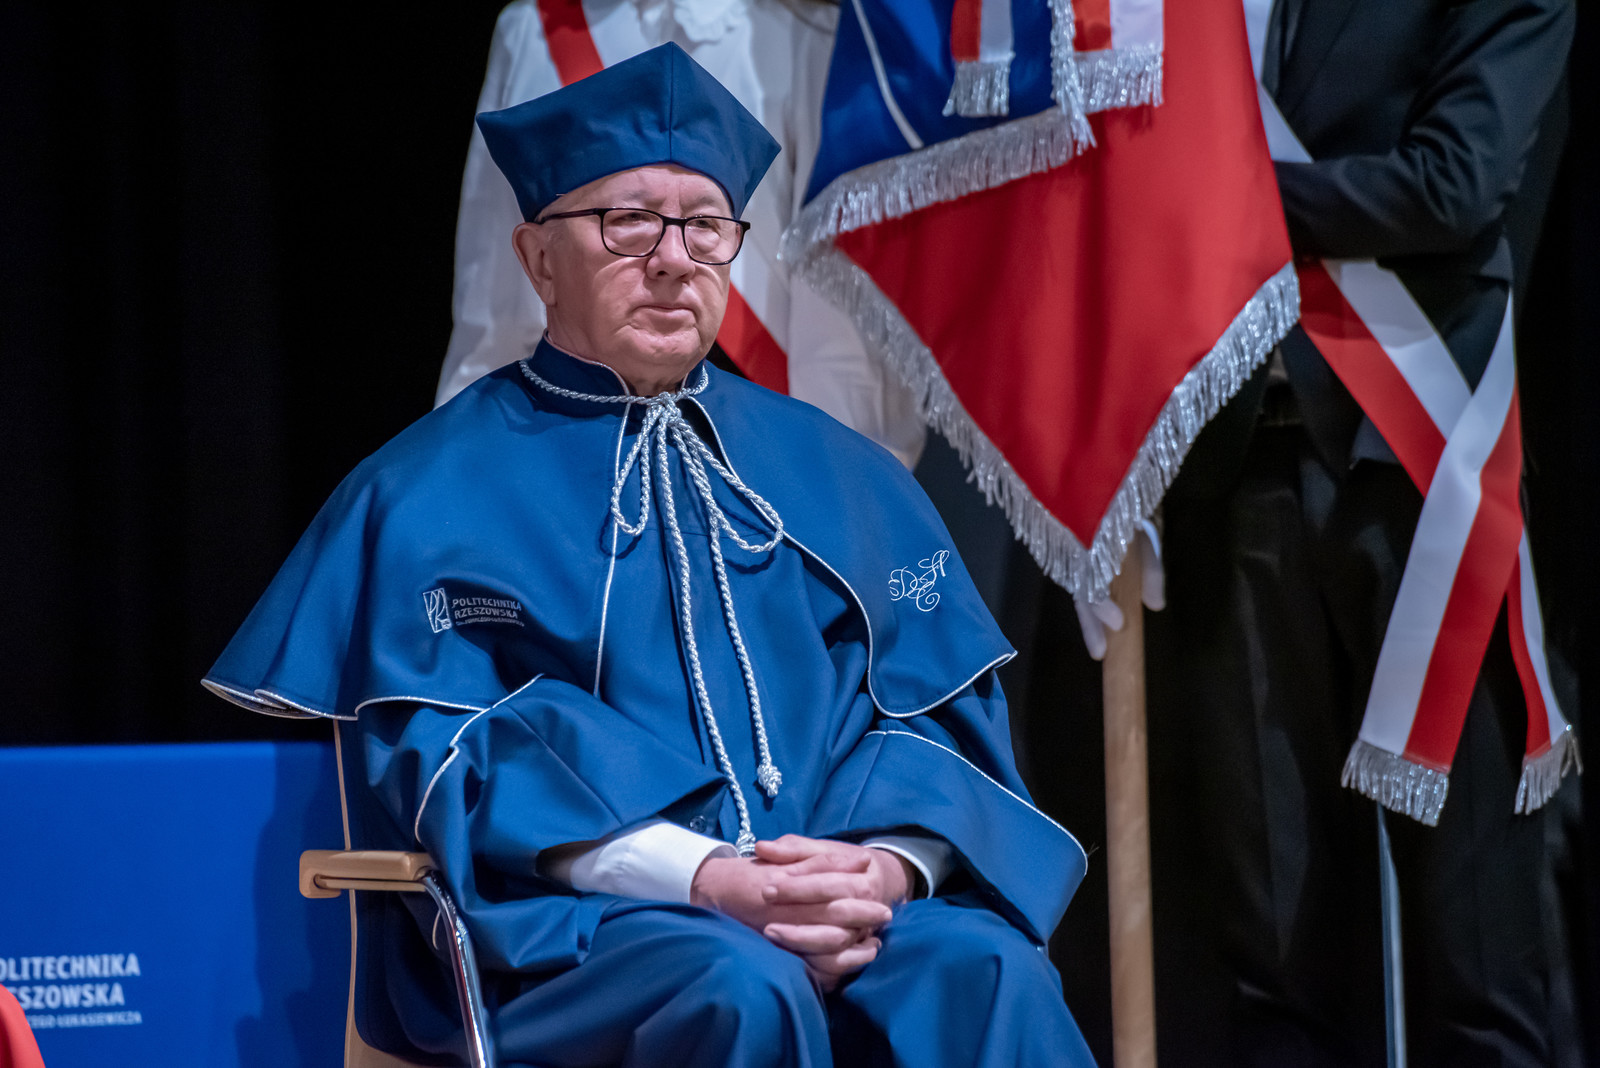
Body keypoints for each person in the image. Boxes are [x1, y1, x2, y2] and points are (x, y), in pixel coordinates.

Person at [205, 43, 1095, 1068]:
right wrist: (707, 880)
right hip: (566, 935)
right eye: (628, 221)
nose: (673, 259)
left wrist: (879, 870)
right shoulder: (425, 495)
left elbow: (935, 721)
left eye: (705, 225)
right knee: (738, 984)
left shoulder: (847, 475)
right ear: (539, 259)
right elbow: (455, 761)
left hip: (834, 903)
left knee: (986, 971)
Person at [1144, 0, 1577, 1064]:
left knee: (1477, 964)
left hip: (1419, 480)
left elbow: (1453, 184)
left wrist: (1214, 185)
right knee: (1275, 961)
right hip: (1234, 473)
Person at [438, 0, 928, 470]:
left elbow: (837, 302)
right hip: (550, 425)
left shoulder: (810, 36)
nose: (673, 258)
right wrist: (464, 455)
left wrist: (837, 476)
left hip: (751, 427)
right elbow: (493, 301)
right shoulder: (531, 29)